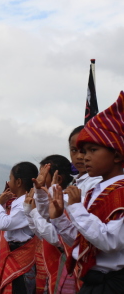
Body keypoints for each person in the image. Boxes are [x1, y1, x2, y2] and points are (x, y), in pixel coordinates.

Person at [49, 91, 124, 293]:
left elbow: (109, 242)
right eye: (82, 151)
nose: (84, 157)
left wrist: (75, 208)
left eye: (92, 150)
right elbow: (84, 241)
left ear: (116, 155)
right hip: (92, 282)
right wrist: (59, 219)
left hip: (113, 284)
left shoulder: (121, 193)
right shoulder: (98, 191)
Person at [24, 156, 77, 294]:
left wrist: (34, 211)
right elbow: (42, 224)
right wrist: (34, 206)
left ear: (58, 179)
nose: (39, 179)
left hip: (67, 261)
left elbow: (54, 237)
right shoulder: (57, 199)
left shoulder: (68, 199)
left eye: (43, 176)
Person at [0, 161, 39, 293]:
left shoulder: (26, 202)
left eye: (10, 178)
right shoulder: (18, 202)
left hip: (22, 253)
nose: (8, 182)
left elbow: (4, 224)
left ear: (18, 182)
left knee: (21, 289)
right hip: (13, 252)